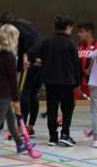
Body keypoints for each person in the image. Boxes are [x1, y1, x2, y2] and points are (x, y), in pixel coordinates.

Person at [0, 24, 33, 158]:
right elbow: (12, 80)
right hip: (6, 93)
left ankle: (20, 144)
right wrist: (16, 99)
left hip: (2, 91)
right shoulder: (9, 57)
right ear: (11, 39)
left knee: (10, 120)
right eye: (16, 38)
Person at [30, 15, 80, 147]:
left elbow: (31, 52)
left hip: (50, 82)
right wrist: (78, 83)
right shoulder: (71, 43)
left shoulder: (47, 41)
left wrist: (38, 61)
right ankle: (65, 134)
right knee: (67, 109)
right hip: (67, 82)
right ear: (68, 27)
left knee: (52, 109)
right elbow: (76, 65)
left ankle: (52, 137)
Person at [0, 13, 42, 136]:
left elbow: (27, 43)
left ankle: (20, 128)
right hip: (39, 61)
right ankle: (30, 126)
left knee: (24, 93)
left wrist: (26, 56)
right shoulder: (26, 25)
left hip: (30, 62)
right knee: (33, 94)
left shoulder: (17, 29)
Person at [76, 22, 97, 100]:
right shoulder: (79, 47)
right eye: (78, 32)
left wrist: (91, 69)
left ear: (89, 32)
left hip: (93, 84)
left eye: (81, 32)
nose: (79, 34)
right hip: (80, 84)